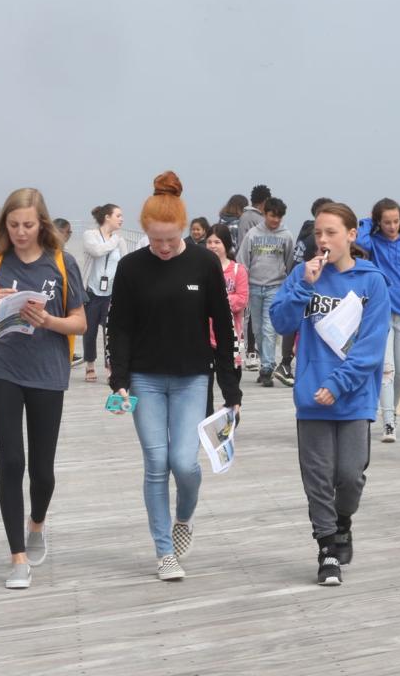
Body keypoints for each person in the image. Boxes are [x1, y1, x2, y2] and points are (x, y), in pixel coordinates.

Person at [107, 172, 241, 582]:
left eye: (170, 239)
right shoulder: (131, 267)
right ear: (145, 231)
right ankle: (164, 551)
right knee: (155, 463)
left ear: (184, 231)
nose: (163, 248)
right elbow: (120, 326)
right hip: (145, 379)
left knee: (184, 463)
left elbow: (222, 323)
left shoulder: (203, 263)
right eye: (154, 240)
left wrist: (231, 389)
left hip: (191, 378)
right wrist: (120, 379)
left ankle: (183, 519)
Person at [0, 188, 88, 589]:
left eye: (28, 225)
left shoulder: (62, 262)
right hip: (3, 367)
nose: (20, 232)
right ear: (5, 225)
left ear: (42, 225)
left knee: (42, 470)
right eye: (14, 225)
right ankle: (17, 557)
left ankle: (36, 523)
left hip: (48, 370)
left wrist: (48, 321)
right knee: (11, 461)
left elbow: (80, 323)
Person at [270, 202, 390, 586]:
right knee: (318, 477)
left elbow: (371, 347)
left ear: (351, 235)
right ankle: (326, 549)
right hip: (311, 395)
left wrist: (337, 385)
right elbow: (280, 321)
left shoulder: (372, 281)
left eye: (331, 233)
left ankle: (342, 522)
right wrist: (303, 284)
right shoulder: (303, 275)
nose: (322, 240)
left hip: (353, 396)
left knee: (350, 476)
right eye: (318, 233)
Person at [356, 199, 400, 443]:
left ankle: (391, 411)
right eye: (386, 222)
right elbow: (360, 242)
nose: (392, 226)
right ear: (378, 222)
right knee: (387, 370)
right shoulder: (373, 243)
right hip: (380, 312)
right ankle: (388, 423)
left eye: (396, 221)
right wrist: (365, 222)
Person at [274, 196, 333, 387]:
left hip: (298, 281)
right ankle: (286, 362)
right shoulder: (311, 240)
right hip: (305, 282)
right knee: (295, 322)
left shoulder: (306, 235)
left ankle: (285, 363)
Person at [241, 197, 295, 387]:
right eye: (272, 216)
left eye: (279, 217)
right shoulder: (253, 234)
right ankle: (266, 362)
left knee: (269, 328)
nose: (275, 220)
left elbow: (289, 262)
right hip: (254, 286)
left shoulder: (286, 235)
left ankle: (267, 367)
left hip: (275, 287)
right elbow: (243, 261)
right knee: (257, 329)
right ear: (265, 214)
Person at [79, 204, 128, 383]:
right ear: (107, 217)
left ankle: (110, 366)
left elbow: (125, 264)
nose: (122, 219)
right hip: (91, 292)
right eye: (118, 215)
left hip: (111, 294)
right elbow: (97, 251)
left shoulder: (120, 241)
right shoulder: (90, 235)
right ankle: (90, 364)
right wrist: (114, 241)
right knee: (89, 331)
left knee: (111, 333)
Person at [204, 223, 248, 414]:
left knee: (230, 379)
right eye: (209, 242)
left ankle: (232, 414)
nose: (213, 246)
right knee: (204, 383)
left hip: (230, 335)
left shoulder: (238, 270)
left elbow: (242, 299)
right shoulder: (201, 269)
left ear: (227, 244)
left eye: (217, 242)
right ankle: (205, 417)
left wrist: (218, 301)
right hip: (204, 335)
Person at [236, 184, 271, 370]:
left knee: (251, 314)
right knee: (254, 314)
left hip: (246, 268)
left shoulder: (244, 216)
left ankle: (251, 351)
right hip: (254, 270)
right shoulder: (257, 219)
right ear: (265, 201)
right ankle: (252, 351)